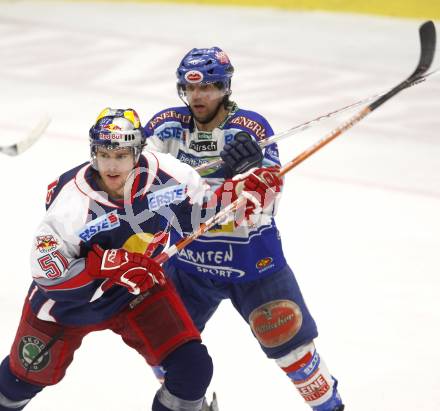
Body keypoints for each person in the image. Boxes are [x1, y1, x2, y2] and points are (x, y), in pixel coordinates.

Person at [0, 107, 281, 411]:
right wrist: (103, 265)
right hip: (71, 303)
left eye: (121, 155)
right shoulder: (71, 202)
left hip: (138, 290)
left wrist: (243, 189)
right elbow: (47, 275)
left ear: (138, 152)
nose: (111, 165)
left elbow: (202, 216)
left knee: (192, 371)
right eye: (104, 154)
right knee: (18, 383)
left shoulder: (172, 175)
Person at [144, 47, 345, 411]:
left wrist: (252, 174)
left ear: (225, 87)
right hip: (188, 266)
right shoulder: (166, 126)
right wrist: (216, 182)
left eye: (207, 87)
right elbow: (139, 184)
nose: (197, 96)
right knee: (163, 352)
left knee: (294, 353)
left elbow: (261, 205)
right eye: (190, 89)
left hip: (254, 265)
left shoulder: (250, 129)